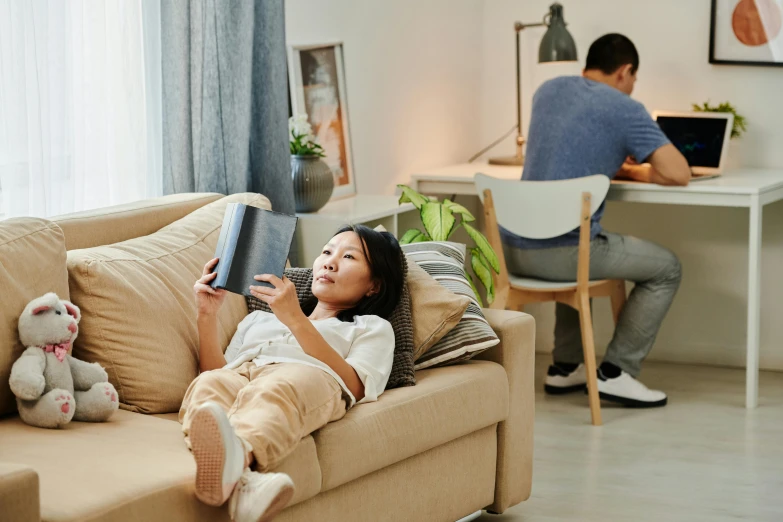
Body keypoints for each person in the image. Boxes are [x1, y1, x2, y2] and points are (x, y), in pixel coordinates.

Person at [502, 33, 691, 408]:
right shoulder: (624, 107)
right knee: (666, 267)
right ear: (625, 71)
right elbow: (679, 172)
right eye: (633, 79)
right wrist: (636, 172)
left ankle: (565, 367)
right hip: (562, 255)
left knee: (572, 233)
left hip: (512, 251)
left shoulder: (547, 90)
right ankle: (617, 373)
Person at [181, 224, 404, 521]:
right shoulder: (258, 319)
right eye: (326, 251)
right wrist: (206, 315)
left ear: (374, 285)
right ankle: (244, 481)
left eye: (349, 257)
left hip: (308, 377)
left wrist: (296, 319)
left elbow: (355, 385)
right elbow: (216, 372)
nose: (329, 261)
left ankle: (239, 459)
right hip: (244, 373)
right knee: (208, 385)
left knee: (280, 387)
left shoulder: (371, 327)